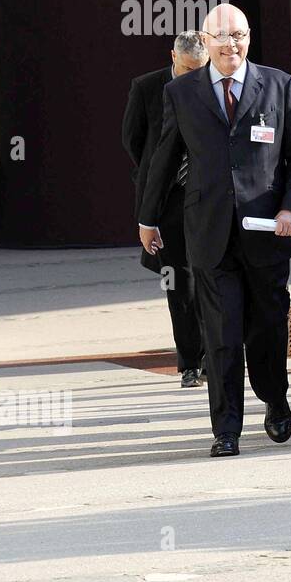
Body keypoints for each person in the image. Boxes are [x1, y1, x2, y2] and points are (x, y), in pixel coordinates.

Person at [138, 3, 291, 457]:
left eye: (238, 35)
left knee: (268, 329)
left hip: (267, 232)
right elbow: (162, 156)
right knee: (220, 334)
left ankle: (275, 401)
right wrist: (148, 217)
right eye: (220, 37)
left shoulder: (279, 85)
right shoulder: (182, 92)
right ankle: (226, 429)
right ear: (206, 40)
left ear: (249, 37)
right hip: (209, 232)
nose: (230, 44)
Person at [121, 30, 209, 387]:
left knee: (212, 276)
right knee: (179, 282)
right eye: (188, 68)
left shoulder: (212, 85)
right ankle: (189, 361)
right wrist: (158, 179)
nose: (194, 76)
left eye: (200, 69)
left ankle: (214, 355)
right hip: (169, 199)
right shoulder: (146, 88)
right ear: (173, 57)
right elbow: (134, 141)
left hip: (206, 197)